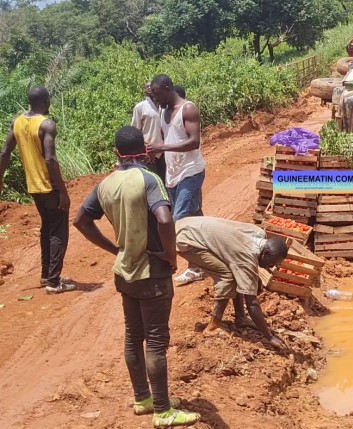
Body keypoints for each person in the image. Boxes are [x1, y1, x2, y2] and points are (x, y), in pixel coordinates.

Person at [73, 126, 200, 428]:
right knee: (156, 341)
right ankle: (163, 410)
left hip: (125, 272)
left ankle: (142, 398)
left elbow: (80, 220)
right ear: (144, 150)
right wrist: (171, 255)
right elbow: (166, 218)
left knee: (133, 336)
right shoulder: (149, 179)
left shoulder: (105, 184)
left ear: (116, 153)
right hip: (151, 273)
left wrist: (113, 248)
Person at [0, 87, 75, 294]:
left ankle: (46, 276)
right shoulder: (46, 124)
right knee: (58, 232)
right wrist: (63, 191)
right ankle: (54, 282)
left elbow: (5, 152)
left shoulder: (17, 122)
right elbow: (50, 159)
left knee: (47, 229)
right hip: (49, 187)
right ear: (46, 101)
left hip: (33, 187)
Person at [175, 216, 289, 350]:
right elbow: (252, 303)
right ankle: (213, 326)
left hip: (190, 223)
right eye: (271, 263)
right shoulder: (246, 256)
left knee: (235, 272)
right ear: (266, 253)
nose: (270, 267)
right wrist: (269, 337)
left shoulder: (258, 233)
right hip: (187, 239)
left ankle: (240, 318)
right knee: (227, 276)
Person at [147, 74, 207, 286]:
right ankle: (209, 257)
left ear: (166, 88)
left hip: (190, 172)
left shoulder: (188, 109)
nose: (155, 98)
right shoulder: (163, 110)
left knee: (179, 220)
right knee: (196, 216)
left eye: (156, 94)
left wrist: (161, 148)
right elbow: (169, 136)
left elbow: (194, 142)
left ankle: (194, 267)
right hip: (172, 174)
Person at [131, 82, 166, 183]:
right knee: (151, 181)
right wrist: (145, 148)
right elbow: (135, 131)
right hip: (148, 152)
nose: (150, 88)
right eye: (147, 87)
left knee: (165, 180)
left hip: (164, 150)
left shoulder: (164, 106)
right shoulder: (140, 107)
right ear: (144, 91)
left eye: (151, 86)